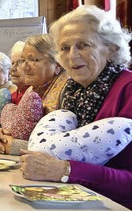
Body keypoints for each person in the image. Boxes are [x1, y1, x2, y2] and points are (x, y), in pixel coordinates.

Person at [19, 5, 132, 208]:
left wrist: (66, 170)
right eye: (64, 48)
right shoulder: (72, 92)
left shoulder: (128, 90)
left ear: (111, 48)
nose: (72, 56)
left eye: (83, 45)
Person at [0, 34, 70, 155]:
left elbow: (63, 149)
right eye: (23, 60)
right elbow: (20, 128)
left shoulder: (67, 91)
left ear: (57, 65)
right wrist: (0, 134)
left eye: (34, 60)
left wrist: (12, 146)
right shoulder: (31, 90)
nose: (25, 66)